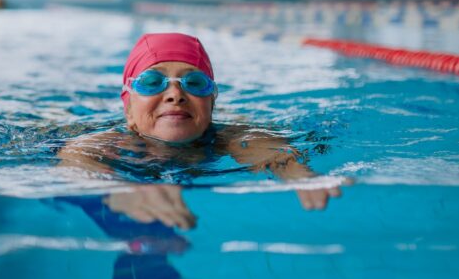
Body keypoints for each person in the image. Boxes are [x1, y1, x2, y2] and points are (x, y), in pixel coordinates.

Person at [58, 32, 343, 214]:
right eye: (151, 82)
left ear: (211, 104)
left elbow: (266, 149)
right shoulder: (108, 142)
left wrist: (299, 174)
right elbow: (76, 156)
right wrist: (113, 192)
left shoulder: (228, 138)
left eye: (194, 83)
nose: (175, 95)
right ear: (129, 109)